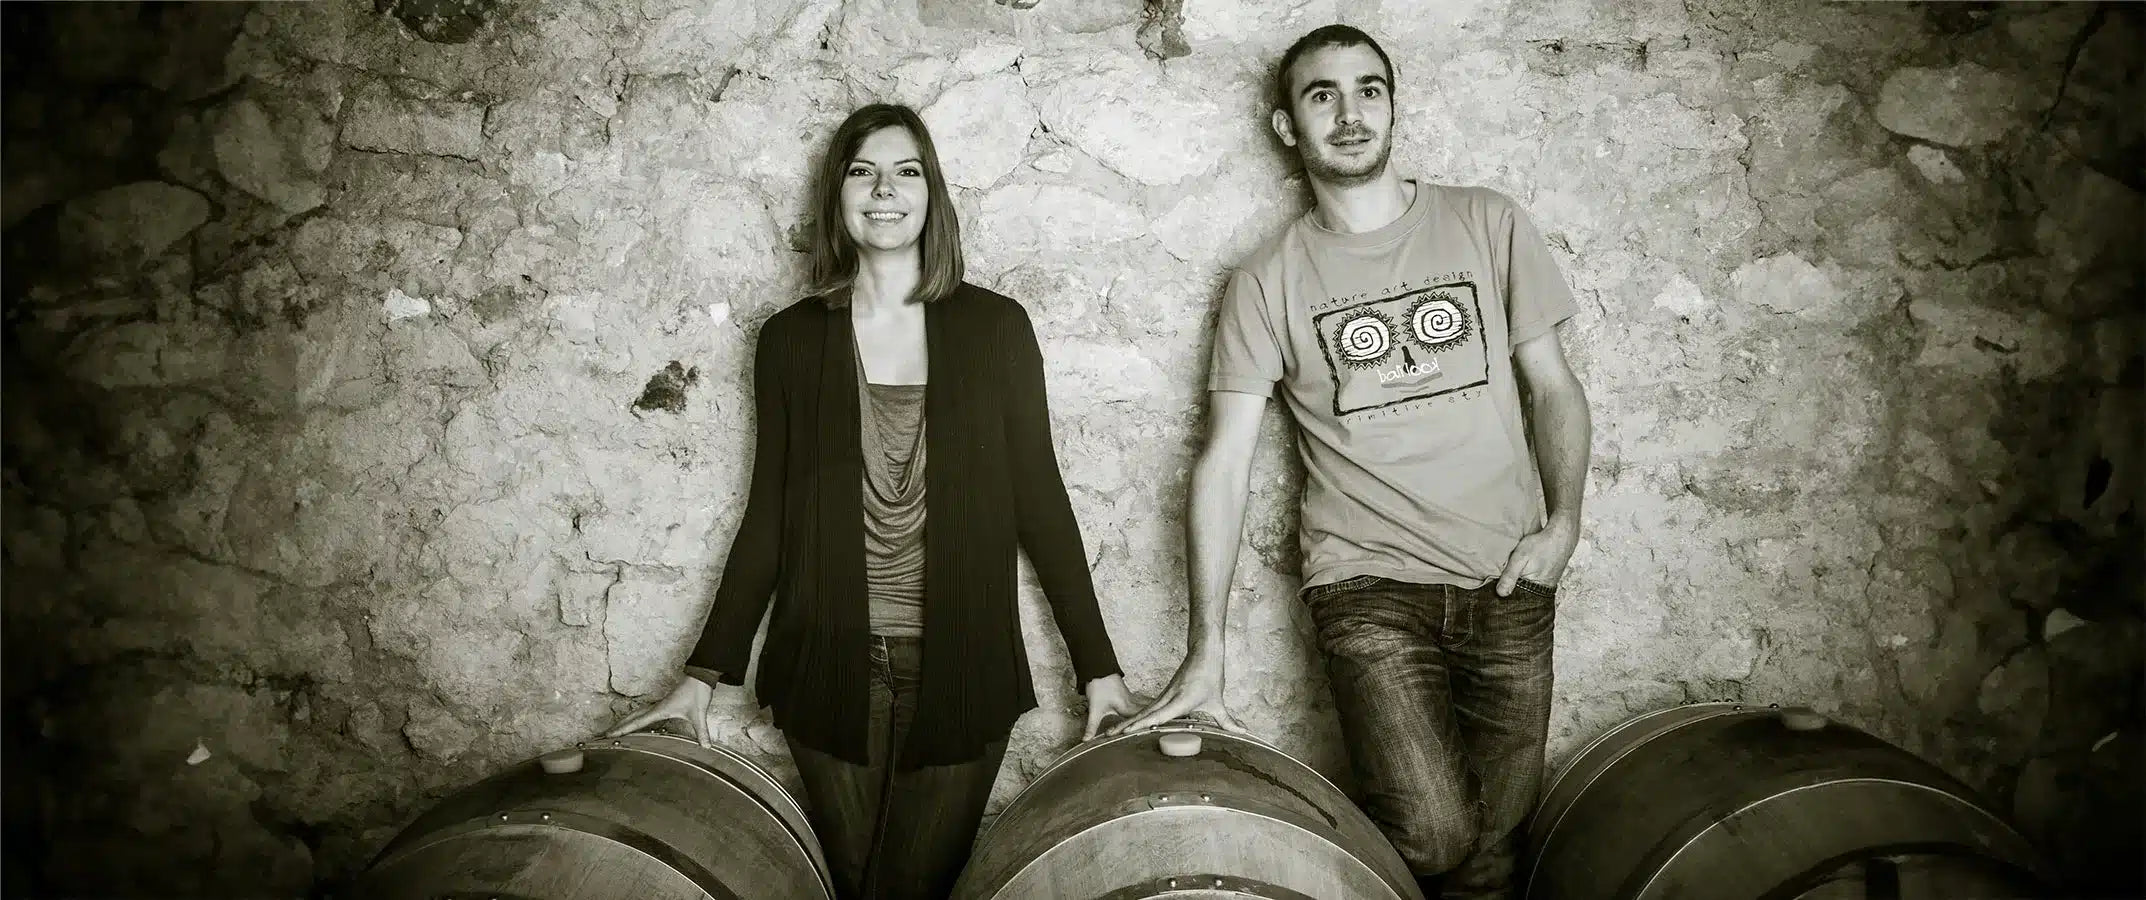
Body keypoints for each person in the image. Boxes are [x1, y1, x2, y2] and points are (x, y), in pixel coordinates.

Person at [605, 103, 1140, 900]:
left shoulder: (995, 328)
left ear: (932, 195)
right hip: (827, 663)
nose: (884, 189)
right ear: (838, 195)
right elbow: (769, 515)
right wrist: (702, 674)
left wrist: (1099, 669)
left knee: (916, 883)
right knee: (858, 886)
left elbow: (1042, 502)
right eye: (863, 171)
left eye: (905, 171)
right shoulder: (791, 339)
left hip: (966, 665)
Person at [1109, 24, 1594, 900]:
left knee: (1492, 855)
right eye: (1322, 95)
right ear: (1286, 126)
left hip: (1511, 579)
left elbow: (1553, 387)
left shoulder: (1487, 222)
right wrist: (1205, 651)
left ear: (1393, 106)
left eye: (1369, 89)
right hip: (1367, 588)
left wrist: (1563, 526)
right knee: (1433, 831)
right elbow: (1223, 463)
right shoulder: (1266, 279)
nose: (1350, 113)